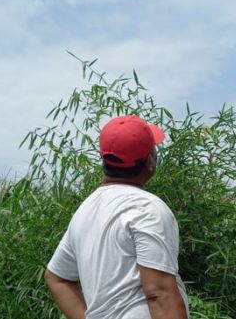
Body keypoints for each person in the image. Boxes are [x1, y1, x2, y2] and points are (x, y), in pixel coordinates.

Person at [45, 114, 189, 319]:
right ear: (149, 162)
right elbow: (159, 293)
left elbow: (56, 277)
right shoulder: (147, 208)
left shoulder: (84, 211)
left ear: (104, 158)